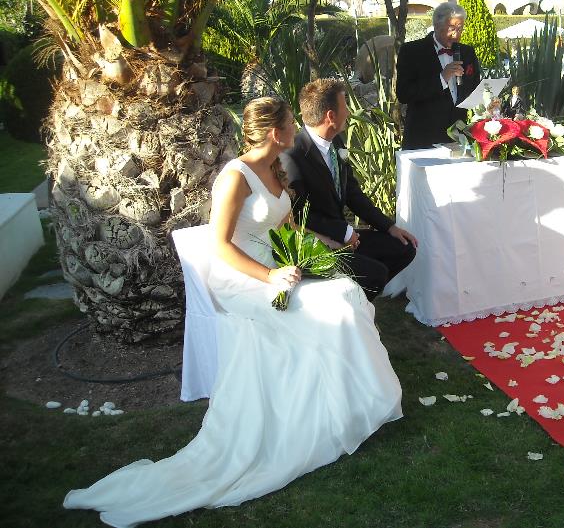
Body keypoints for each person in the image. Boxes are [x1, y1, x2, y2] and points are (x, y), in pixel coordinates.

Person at [64, 97, 403, 527]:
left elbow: (287, 229)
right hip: (243, 280)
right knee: (336, 304)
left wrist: (322, 252)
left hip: (280, 268)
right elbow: (220, 247)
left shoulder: (277, 168)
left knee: (346, 293)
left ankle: (354, 405)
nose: (297, 128)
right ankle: (330, 414)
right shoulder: (235, 176)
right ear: (274, 132)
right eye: (291, 123)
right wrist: (270, 277)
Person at [281, 79, 417, 301]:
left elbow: (352, 193)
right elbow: (297, 215)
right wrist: (342, 233)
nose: (350, 112)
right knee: (376, 274)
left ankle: (357, 303)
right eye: (345, 107)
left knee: (404, 248)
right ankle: (353, 306)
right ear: (330, 116)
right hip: (318, 244)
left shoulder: (336, 141)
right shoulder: (293, 156)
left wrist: (389, 226)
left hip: (344, 236)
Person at [396, 2, 481, 150]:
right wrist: (442, 78)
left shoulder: (467, 52)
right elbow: (404, 93)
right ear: (436, 26)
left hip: (458, 139)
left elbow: (474, 87)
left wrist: (486, 98)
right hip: (423, 139)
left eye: (460, 29)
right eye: (451, 28)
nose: (456, 35)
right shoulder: (412, 51)